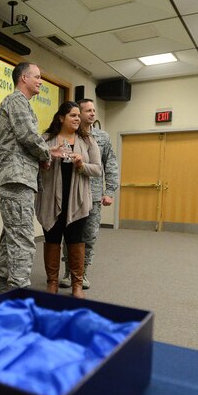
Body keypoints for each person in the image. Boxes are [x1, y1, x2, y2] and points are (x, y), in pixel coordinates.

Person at [0, 62, 62, 292]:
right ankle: (18, 294)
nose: (40, 81)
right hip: (16, 180)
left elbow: (27, 140)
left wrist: (46, 153)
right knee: (22, 240)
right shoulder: (16, 101)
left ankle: (6, 290)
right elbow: (28, 136)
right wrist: (46, 154)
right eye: (37, 76)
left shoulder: (21, 104)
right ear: (23, 77)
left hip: (18, 179)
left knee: (11, 237)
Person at [36, 101, 102, 298]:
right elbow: (34, 166)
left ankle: (77, 285)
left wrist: (82, 164)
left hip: (77, 200)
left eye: (77, 115)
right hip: (50, 200)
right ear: (61, 117)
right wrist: (47, 162)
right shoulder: (46, 139)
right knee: (52, 240)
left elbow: (98, 169)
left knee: (75, 241)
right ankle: (52, 283)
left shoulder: (87, 141)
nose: (77, 119)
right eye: (73, 115)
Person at [60, 98, 119, 290]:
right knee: (69, 236)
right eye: (88, 111)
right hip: (72, 194)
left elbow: (110, 164)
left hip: (93, 195)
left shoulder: (102, 137)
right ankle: (69, 272)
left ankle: (82, 272)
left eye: (94, 110)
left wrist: (109, 191)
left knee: (89, 236)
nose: (92, 113)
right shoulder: (68, 135)